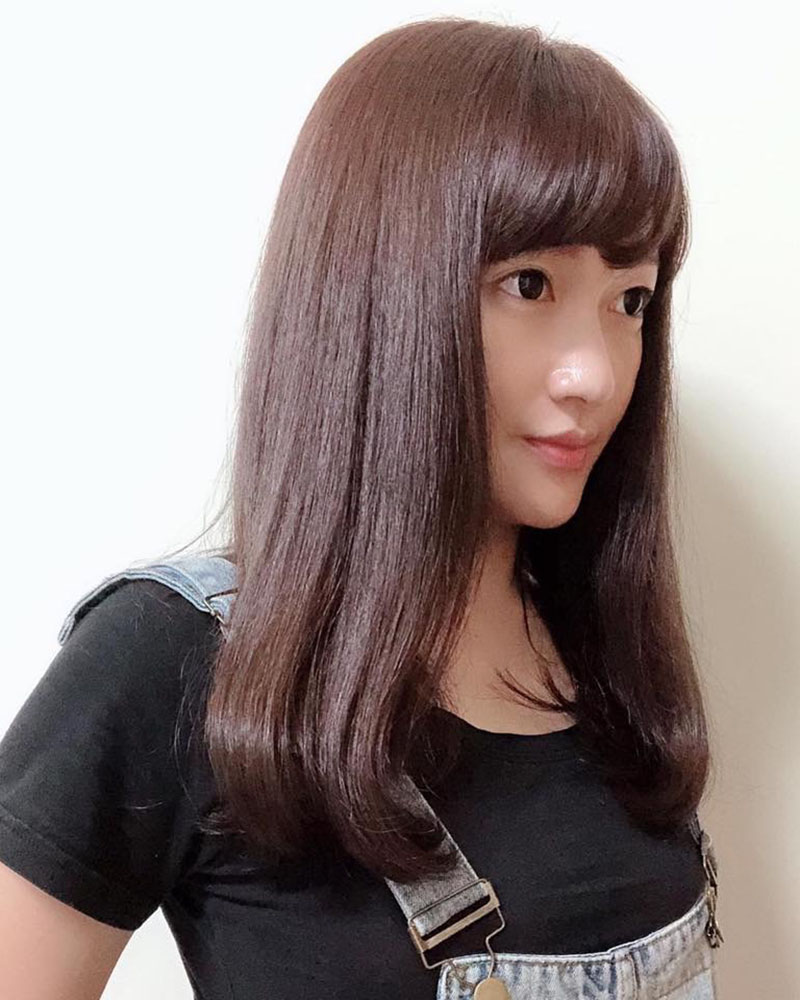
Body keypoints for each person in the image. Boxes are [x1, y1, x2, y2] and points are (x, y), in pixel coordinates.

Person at [0, 16, 723, 999]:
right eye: (529, 284)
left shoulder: (598, 643)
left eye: (629, 301)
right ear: (376, 297)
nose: (594, 373)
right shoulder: (172, 664)